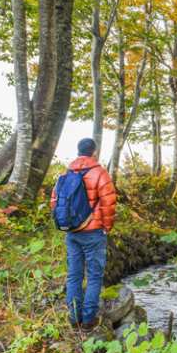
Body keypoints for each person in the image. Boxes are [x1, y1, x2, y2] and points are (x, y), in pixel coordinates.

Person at [51, 138, 116, 331]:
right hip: (93, 232)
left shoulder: (66, 173)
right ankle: (88, 320)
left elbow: (54, 202)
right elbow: (108, 203)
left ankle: (74, 317)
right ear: (94, 152)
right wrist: (106, 227)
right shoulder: (100, 173)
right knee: (95, 276)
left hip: (71, 232)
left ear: (79, 152)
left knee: (74, 275)